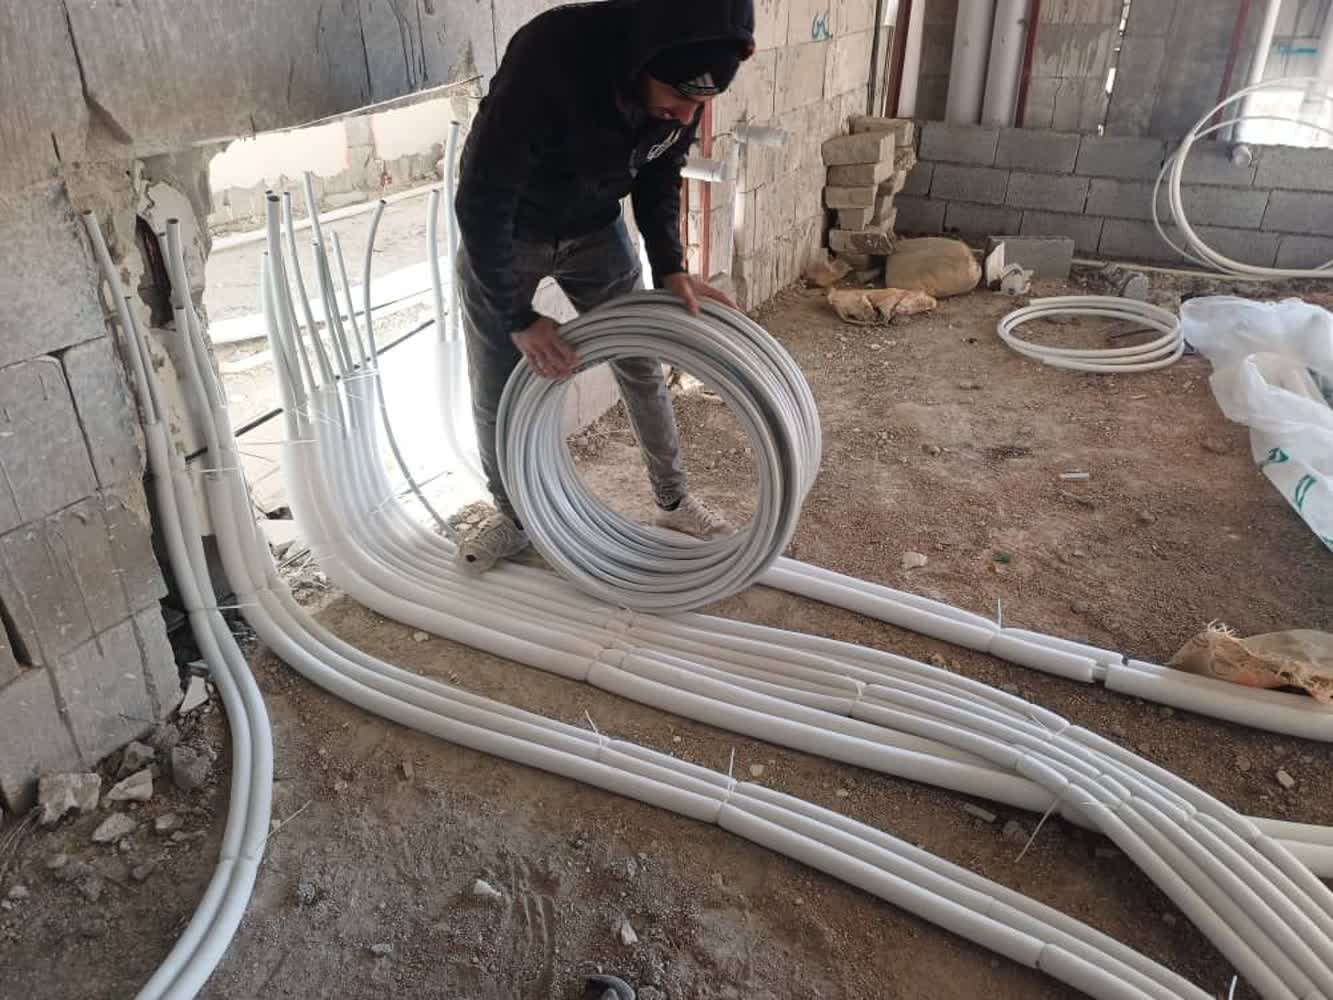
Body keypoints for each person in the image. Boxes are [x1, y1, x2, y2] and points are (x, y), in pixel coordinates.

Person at [453, 0, 756, 574]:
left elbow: (660, 172)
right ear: (643, 57)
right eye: (677, 97)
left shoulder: (685, 86)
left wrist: (670, 265)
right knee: (498, 386)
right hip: (513, 229)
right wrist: (519, 316)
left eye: (699, 104)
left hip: (595, 227)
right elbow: (482, 197)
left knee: (640, 360)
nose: (685, 114)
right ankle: (514, 517)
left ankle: (672, 501)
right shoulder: (550, 57)